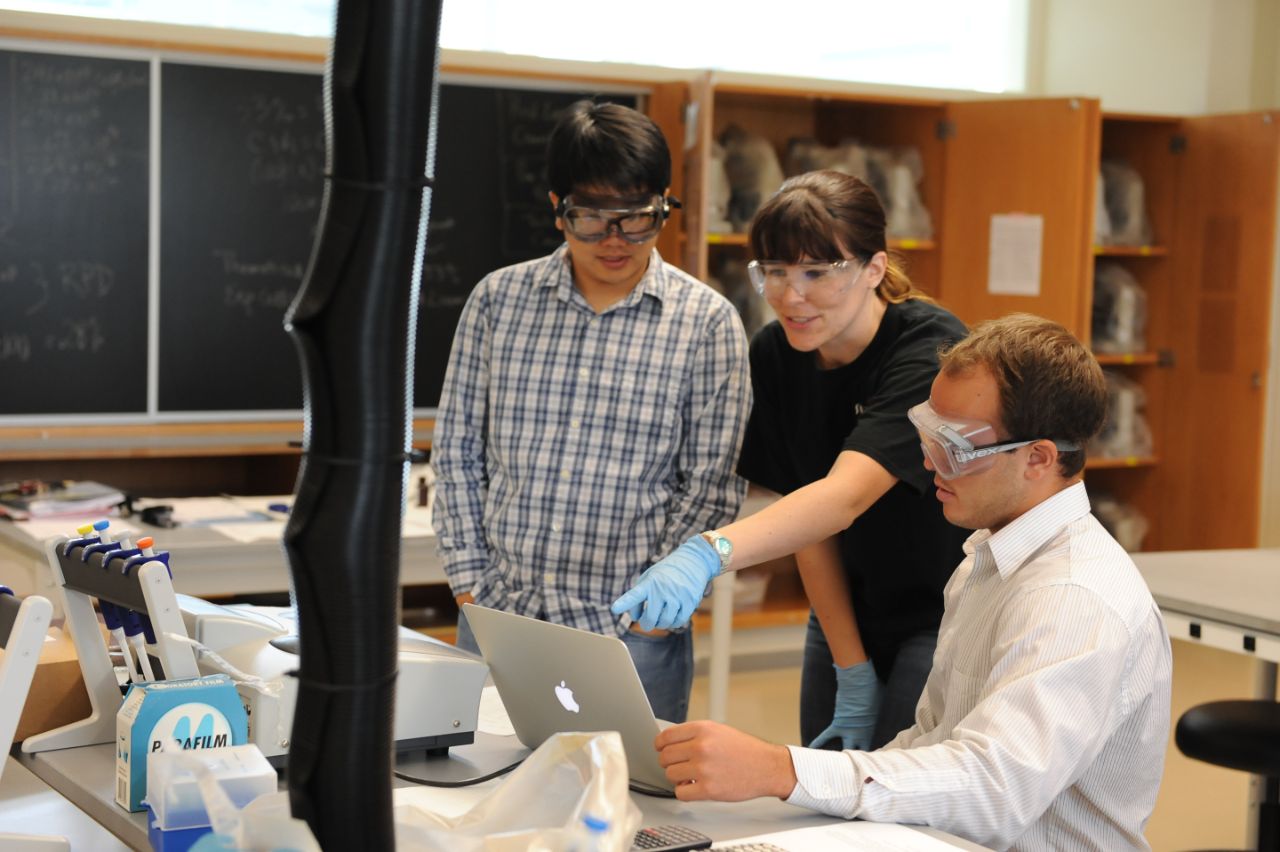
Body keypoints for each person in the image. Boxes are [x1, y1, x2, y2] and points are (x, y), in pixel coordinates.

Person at [645, 314, 1174, 851]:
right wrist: (790, 786)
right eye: (926, 431)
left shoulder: (1072, 600)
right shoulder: (983, 561)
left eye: (955, 446)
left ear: (1038, 457)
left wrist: (782, 770)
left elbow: (991, 792)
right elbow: (932, 743)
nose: (927, 461)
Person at [614, 170, 969, 751]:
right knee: (823, 789)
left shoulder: (927, 348)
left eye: (815, 273)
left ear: (873, 269)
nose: (791, 295)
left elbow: (842, 497)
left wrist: (711, 551)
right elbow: (807, 518)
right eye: (774, 272)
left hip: (939, 615)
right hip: (842, 608)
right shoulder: (776, 355)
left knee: (895, 800)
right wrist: (851, 670)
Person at [432, 100, 751, 724]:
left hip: (630, 638)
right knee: (474, 799)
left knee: (624, 811)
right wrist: (473, 592)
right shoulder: (498, 302)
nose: (614, 240)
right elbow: (458, 455)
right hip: (500, 622)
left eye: (636, 219)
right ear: (558, 208)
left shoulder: (707, 322)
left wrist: (652, 621)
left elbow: (711, 486)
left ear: (663, 204)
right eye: (591, 217)